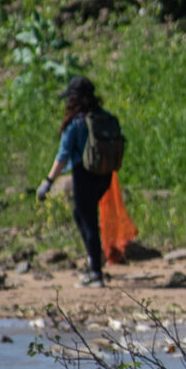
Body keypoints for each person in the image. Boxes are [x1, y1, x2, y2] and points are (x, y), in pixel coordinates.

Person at [36, 76, 118, 286]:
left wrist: (48, 182)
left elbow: (63, 156)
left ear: (75, 99)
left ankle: (96, 273)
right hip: (105, 175)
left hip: (84, 174)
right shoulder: (105, 117)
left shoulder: (76, 123)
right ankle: (95, 258)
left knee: (88, 220)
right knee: (81, 214)